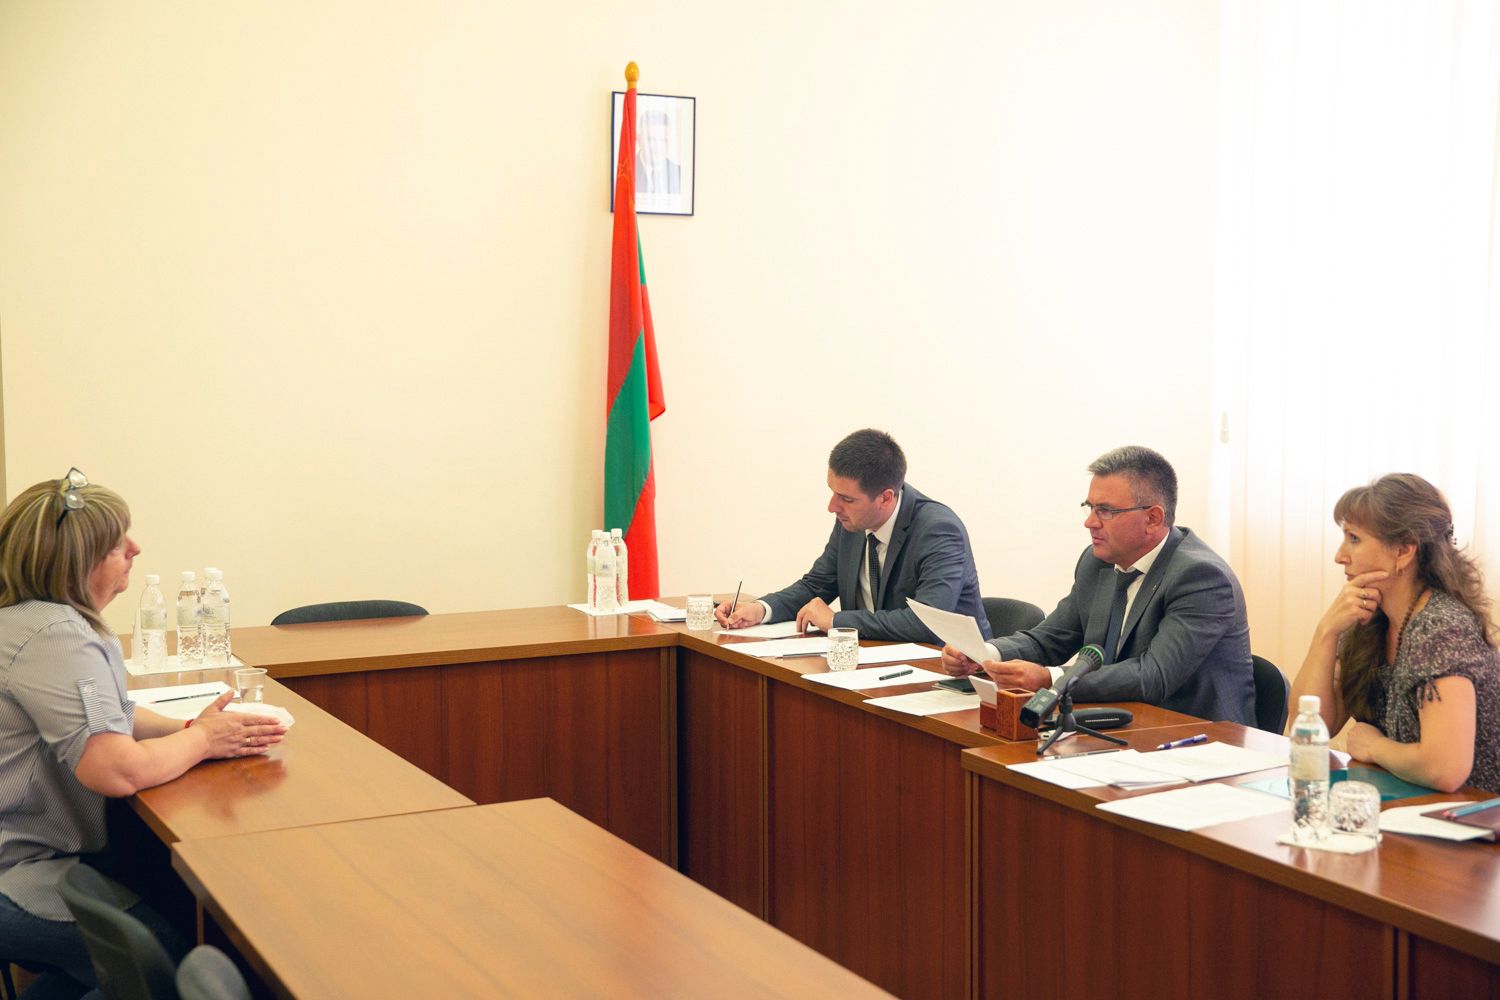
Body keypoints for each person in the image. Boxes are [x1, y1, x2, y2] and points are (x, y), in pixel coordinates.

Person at [0, 469, 287, 998]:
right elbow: (116, 770)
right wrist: (204, 741)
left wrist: (190, 729)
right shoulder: (56, 636)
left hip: (29, 854)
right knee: (162, 957)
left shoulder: (28, 621)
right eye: (117, 544)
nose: (135, 549)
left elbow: (107, 716)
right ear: (80, 561)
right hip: (16, 874)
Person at [940, 446, 1255, 724]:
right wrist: (984, 653)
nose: (1090, 522)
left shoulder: (1201, 577)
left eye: (1105, 511)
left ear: (1153, 518)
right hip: (1120, 720)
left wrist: (1050, 679)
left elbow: (1153, 676)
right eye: (1089, 507)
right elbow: (1051, 638)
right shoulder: (1097, 562)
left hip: (1196, 737)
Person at [1288, 473, 1499, 793]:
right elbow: (1309, 727)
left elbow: (1445, 769)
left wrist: (1374, 747)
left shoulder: (1441, 629)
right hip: (1404, 803)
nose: (1340, 555)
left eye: (1354, 538)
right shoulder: (1371, 619)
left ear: (1403, 551)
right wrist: (1326, 633)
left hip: (1470, 814)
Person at [715, 429, 991, 643]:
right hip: (873, 662)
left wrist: (837, 621)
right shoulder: (853, 521)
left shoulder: (939, 530)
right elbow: (816, 585)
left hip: (947, 674)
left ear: (885, 498)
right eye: (832, 492)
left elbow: (928, 623)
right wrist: (761, 609)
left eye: (846, 498)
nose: (832, 507)